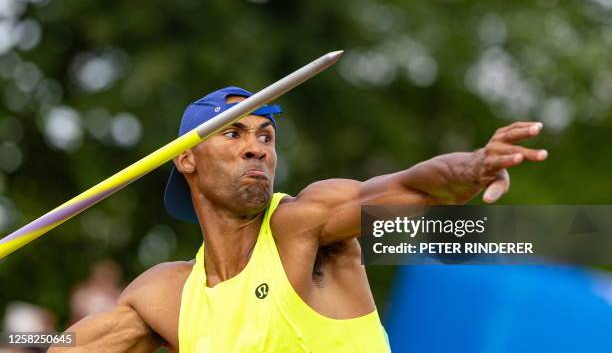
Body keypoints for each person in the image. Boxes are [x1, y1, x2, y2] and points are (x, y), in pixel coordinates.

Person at [49, 86, 547, 352]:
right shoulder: (169, 296)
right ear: (187, 160)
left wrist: (471, 168)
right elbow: (62, 344)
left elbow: (408, 188)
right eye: (233, 134)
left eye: (266, 137)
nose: (255, 148)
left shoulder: (302, 225)